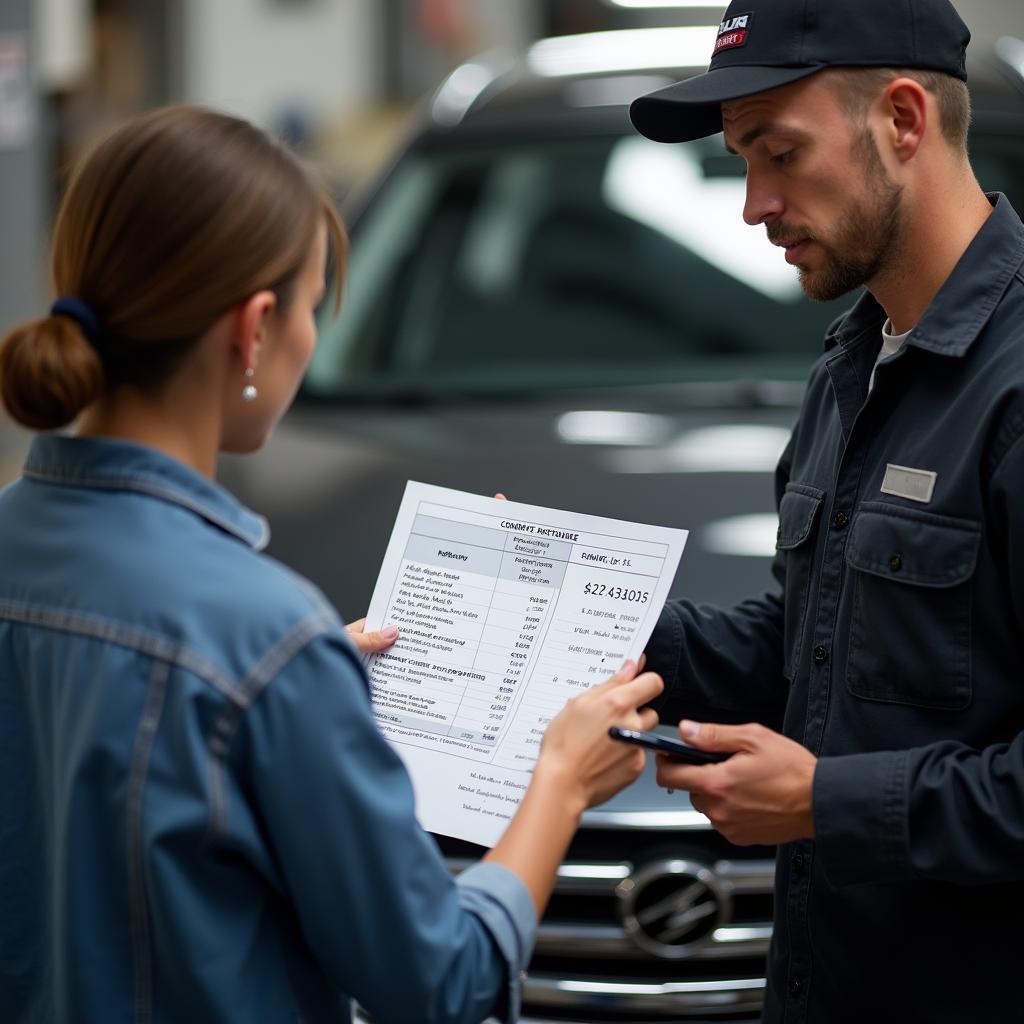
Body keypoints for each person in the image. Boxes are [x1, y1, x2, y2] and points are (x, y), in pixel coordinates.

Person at [0, 105, 664, 1024]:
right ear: (255, 329)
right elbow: (439, 983)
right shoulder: (262, 639)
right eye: (315, 304)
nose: (311, 338)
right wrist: (559, 782)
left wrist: (288, 692)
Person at [628, 0, 1024, 1020]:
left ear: (902, 120)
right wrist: (590, 612)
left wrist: (824, 802)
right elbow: (813, 641)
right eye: (739, 159)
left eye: (779, 152)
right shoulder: (852, 365)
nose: (753, 204)